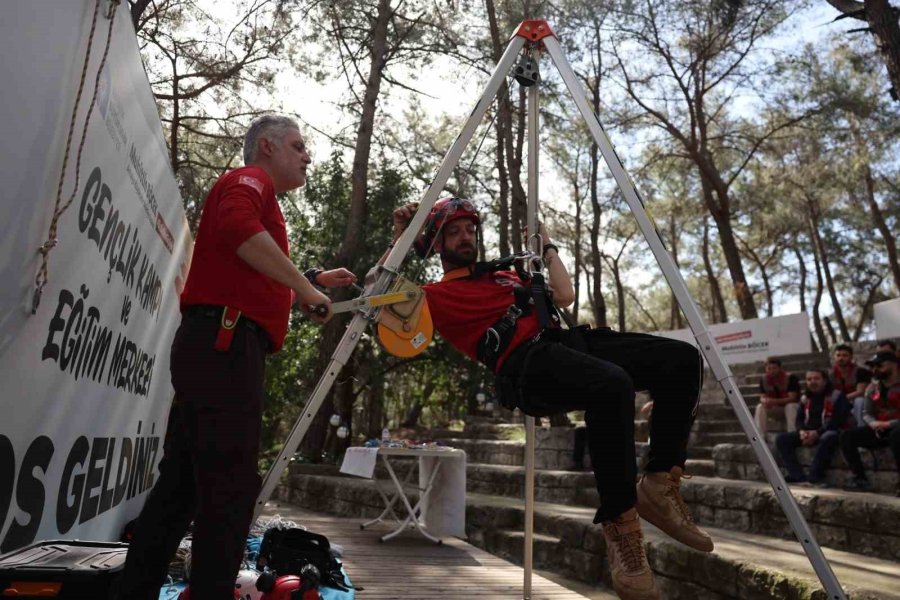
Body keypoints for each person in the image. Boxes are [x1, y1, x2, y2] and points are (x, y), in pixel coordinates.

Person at [389, 198, 711, 600]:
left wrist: (546, 246)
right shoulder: (433, 296)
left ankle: (660, 484)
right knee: (613, 384)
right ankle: (622, 529)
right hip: (525, 365)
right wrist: (401, 237)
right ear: (436, 245)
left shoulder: (505, 274)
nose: (465, 237)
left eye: (469, 229)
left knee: (682, 360)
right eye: (453, 232)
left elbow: (564, 294)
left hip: (564, 344)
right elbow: (379, 294)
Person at [116, 115, 357, 600]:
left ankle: (133, 591)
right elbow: (236, 227)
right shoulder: (247, 180)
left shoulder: (261, 201)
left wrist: (308, 282)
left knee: (180, 488)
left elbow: (247, 274)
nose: (307, 155)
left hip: (217, 346)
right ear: (265, 147)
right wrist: (305, 287)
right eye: (297, 144)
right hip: (225, 348)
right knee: (228, 491)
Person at [774, 370, 849, 486]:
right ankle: (797, 475)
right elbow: (799, 419)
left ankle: (815, 476)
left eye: (816, 379)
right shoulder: (805, 398)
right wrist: (802, 432)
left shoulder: (837, 396)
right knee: (782, 439)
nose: (812, 382)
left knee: (829, 437)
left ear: (824, 380)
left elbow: (837, 420)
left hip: (828, 431)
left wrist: (817, 433)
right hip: (808, 432)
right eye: (809, 379)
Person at [839, 351, 900, 495]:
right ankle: (860, 479)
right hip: (879, 428)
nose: (875, 370)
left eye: (879, 365)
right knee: (847, 436)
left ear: (894, 365)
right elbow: (867, 413)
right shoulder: (873, 387)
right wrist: (873, 423)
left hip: (896, 428)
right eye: (873, 366)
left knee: (897, 436)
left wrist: (889, 424)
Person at [753, 357, 801, 435]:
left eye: (774, 368)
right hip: (775, 408)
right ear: (766, 369)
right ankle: (759, 436)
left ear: (779, 368)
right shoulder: (764, 379)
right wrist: (765, 401)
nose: (771, 371)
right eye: (769, 368)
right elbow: (762, 396)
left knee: (791, 406)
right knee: (760, 407)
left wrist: (772, 401)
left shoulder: (791, 378)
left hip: (790, 408)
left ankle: (792, 434)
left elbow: (792, 398)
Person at [830, 343, 872, 426]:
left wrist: (843, 398)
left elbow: (861, 392)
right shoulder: (830, 374)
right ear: (834, 357)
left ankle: (861, 429)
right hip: (838, 402)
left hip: (855, 400)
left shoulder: (860, 371)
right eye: (838, 355)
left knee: (859, 401)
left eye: (844, 355)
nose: (841, 358)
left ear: (851, 357)